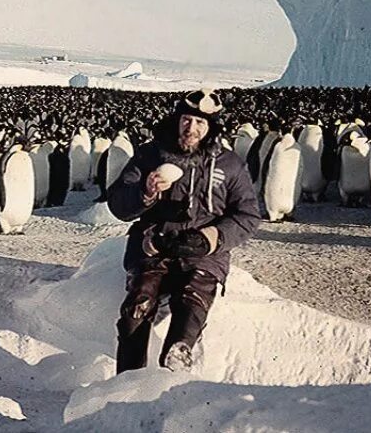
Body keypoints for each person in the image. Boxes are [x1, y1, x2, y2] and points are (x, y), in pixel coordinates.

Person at [108, 89, 261, 373]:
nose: (192, 128)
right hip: (154, 247)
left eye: (200, 123)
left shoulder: (229, 164)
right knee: (136, 309)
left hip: (203, 254)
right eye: (187, 120)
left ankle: (176, 361)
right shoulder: (151, 155)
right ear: (177, 120)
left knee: (193, 299)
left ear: (211, 127)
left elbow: (249, 214)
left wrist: (211, 238)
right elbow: (117, 203)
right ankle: (127, 379)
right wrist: (145, 192)